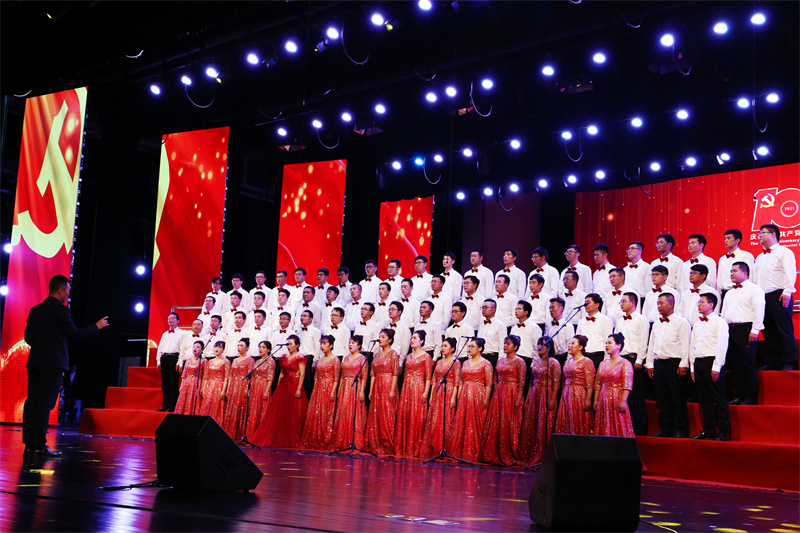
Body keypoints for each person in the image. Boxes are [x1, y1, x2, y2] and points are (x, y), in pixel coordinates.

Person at [22, 275, 107, 452]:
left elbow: (28, 337)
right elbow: (75, 334)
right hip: (53, 363)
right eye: (68, 290)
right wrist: (96, 326)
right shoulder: (61, 311)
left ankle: (30, 444)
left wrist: (42, 347)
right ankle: (39, 445)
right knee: (45, 404)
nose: (68, 293)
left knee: (32, 403)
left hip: (35, 361)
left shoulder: (35, 310)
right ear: (60, 290)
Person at [753, 224, 798, 370]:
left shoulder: (784, 252)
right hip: (762, 298)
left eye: (762, 233)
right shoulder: (760, 257)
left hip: (779, 295)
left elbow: (790, 272)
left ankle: (790, 361)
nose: (759, 235)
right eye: (759, 233)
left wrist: (787, 291)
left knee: (784, 329)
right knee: (768, 331)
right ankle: (772, 362)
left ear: (773, 234)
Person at [646, 294, 691, 438]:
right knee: (662, 398)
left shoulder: (681, 322)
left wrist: (684, 363)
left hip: (674, 363)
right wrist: (650, 363)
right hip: (659, 363)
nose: (658, 306)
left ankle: (680, 428)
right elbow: (652, 344)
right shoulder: (657, 323)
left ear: (671, 304)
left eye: (661, 303)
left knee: (677, 397)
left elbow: (685, 344)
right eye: (657, 303)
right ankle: (666, 428)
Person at [720, 262, 765, 405]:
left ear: (745, 273)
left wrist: (755, 330)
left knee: (748, 364)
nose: (731, 273)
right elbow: (724, 314)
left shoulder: (754, 289)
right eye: (730, 271)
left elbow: (759, 310)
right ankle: (738, 395)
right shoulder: (729, 293)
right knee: (736, 365)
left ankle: (750, 397)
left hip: (746, 329)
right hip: (730, 330)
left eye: (734, 271)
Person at [252, 335, 308, 448]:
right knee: (281, 412)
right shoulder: (284, 358)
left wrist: (298, 389)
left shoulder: (300, 357)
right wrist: (278, 387)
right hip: (283, 385)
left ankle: (292, 437)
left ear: (297, 345)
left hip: (294, 384)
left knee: (292, 412)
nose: (288, 346)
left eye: (291, 344)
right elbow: (281, 373)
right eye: (287, 344)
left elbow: (302, 374)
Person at [480, 335, 526, 466]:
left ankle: (509, 452)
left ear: (515, 347)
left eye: (508, 343)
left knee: (509, 421)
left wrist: (518, 399)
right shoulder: (500, 361)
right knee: (497, 421)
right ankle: (494, 452)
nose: (505, 345)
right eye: (504, 343)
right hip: (499, 393)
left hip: (512, 393)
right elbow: (495, 380)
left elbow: (521, 383)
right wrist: (495, 396)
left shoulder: (520, 362)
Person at [690, 294, 731, 441]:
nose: (698, 304)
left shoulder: (720, 322)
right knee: (704, 400)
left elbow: (722, 345)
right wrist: (692, 367)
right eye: (698, 302)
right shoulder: (697, 324)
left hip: (712, 361)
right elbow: (692, 345)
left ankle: (723, 432)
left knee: (719, 398)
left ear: (711, 304)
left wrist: (717, 366)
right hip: (699, 362)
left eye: (702, 302)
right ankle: (708, 431)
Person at [448, 339, 493, 463]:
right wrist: (459, 397)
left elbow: (489, 384)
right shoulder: (465, 363)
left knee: (476, 423)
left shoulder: (486, 364)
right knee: (463, 421)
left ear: (480, 348)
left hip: (478, 394)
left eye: (472, 346)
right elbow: (461, 381)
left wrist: (486, 399)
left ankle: (474, 451)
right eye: (469, 346)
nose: (469, 348)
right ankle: (460, 451)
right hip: (465, 394)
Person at [519, 337, 561, 466]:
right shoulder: (536, 362)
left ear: (548, 347)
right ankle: (529, 454)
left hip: (546, 394)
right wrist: (528, 397)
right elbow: (531, 382)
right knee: (532, 423)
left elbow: (556, 384)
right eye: (538, 344)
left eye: (541, 345)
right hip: (535, 394)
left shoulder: (554, 363)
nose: (538, 347)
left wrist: (553, 398)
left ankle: (542, 455)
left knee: (543, 423)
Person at [613, 292, 650, 435]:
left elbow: (643, 341)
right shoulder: (620, 321)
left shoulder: (641, 320)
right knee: (623, 394)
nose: (621, 304)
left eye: (624, 301)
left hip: (634, 359)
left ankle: (640, 427)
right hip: (621, 359)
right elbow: (615, 341)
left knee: (636, 394)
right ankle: (625, 425)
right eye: (620, 301)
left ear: (633, 303)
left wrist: (640, 360)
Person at [420, 337, 462, 460]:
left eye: (445, 346)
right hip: (437, 391)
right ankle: (434, 448)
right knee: (434, 420)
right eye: (442, 346)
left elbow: (457, 382)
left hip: (448, 391)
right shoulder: (438, 362)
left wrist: (454, 398)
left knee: (446, 419)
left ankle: (445, 448)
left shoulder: (456, 362)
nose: (442, 348)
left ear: (452, 349)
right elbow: (434, 379)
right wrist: (431, 395)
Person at [394, 331, 433, 458]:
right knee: (406, 414)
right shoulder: (409, 356)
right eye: (411, 338)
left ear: (422, 341)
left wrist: (426, 392)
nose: (412, 340)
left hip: (418, 386)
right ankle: (404, 446)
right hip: (407, 387)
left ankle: (415, 447)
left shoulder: (426, 357)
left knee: (416, 415)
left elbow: (428, 377)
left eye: (415, 338)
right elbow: (405, 374)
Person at [299, 335, 341, 450]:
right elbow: (316, 376)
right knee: (316, 412)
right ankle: (314, 436)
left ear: (331, 345)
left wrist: (333, 391)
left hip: (329, 387)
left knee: (326, 412)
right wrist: (315, 390)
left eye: (325, 343)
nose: (322, 346)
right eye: (321, 343)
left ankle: (325, 437)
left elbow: (336, 378)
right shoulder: (320, 360)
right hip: (318, 387)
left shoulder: (335, 360)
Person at [364, 329, 400, 455]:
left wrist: (392, 390)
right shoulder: (376, 355)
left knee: (387, 414)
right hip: (377, 386)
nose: (380, 339)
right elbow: (373, 373)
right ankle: (375, 442)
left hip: (388, 384)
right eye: (380, 336)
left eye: (383, 336)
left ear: (390, 340)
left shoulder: (393, 354)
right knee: (376, 413)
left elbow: (395, 373)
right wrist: (371, 390)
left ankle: (387, 443)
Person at [329, 336, 369, 450]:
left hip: (355, 386)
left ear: (359, 345)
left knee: (354, 412)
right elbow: (342, 376)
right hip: (344, 387)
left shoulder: (362, 359)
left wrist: (362, 391)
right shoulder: (346, 358)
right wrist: (339, 390)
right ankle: (342, 438)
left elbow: (364, 377)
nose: (350, 344)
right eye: (349, 342)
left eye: (353, 342)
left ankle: (354, 440)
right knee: (343, 411)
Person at [593, 334, 635, 437]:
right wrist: (596, 400)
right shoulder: (602, 363)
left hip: (617, 397)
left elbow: (627, 384)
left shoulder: (625, 363)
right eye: (606, 343)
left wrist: (623, 401)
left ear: (618, 346)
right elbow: (598, 383)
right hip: (603, 399)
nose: (606, 345)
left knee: (618, 424)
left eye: (610, 343)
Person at [554, 335, 595, 435]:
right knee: (566, 420)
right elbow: (563, 380)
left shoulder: (587, 361)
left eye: (573, 343)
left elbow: (590, 383)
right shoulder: (567, 362)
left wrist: (588, 399)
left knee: (578, 420)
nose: (569, 345)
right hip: (566, 394)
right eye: (569, 343)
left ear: (580, 347)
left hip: (579, 394)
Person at [222, 339, 255, 440]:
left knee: (241, 407)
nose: (239, 347)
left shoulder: (250, 360)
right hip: (233, 385)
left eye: (241, 345)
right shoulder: (235, 360)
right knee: (232, 407)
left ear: (247, 348)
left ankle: (239, 434)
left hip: (243, 385)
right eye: (238, 345)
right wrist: (228, 388)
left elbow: (251, 377)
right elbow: (231, 375)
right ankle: (230, 433)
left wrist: (247, 389)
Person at [156, 312, 186, 412]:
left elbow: (182, 349)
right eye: (169, 318)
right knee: (165, 383)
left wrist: (179, 362)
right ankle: (165, 404)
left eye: (173, 318)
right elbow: (160, 348)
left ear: (178, 321)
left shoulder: (181, 334)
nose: (170, 320)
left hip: (174, 358)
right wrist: (158, 361)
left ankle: (172, 405)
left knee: (173, 383)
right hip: (164, 358)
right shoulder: (165, 334)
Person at [575, 293, 613, 371]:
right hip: (583, 357)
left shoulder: (605, 320)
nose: (585, 305)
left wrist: (606, 360)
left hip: (598, 356)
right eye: (585, 302)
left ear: (597, 304)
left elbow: (607, 341)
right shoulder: (581, 322)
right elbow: (577, 341)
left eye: (588, 302)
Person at [247, 341, 275, 438]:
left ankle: (260, 435)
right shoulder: (257, 361)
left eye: (263, 347)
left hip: (263, 386)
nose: (261, 349)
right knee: (254, 410)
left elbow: (270, 378)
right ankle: (251, 433)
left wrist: (266, 391)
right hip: (255, 386)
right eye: (260, 347)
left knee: (262, 409)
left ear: (269, 350)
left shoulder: (270, 361)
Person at [717, 229, 754, 303]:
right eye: (725, 238)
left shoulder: (746, 255)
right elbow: (720, 279)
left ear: (737, 240)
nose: (726, 240)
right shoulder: (722, 259)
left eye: (728, 238)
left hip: (741, 292)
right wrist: (719, 294)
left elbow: (750, 276)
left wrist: (748, 293)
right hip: (724, 293)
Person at [198, 341, 231, 425]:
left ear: (223, 349)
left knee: (217, 405)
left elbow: (227, 378)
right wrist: (203, 388)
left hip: (219, 385)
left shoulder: (226, 361)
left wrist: (224, 390)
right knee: (206, 405)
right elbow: (206, 376)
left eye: (219, 347)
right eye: (215, 347)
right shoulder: (210, 361)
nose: (217, 349)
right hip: (209, 385)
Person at [174, 341, 207, 415]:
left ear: (202, 350)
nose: (195, 348)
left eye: (198, 347)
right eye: (194, 346)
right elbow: (184, 374)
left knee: (194, 401)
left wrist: (203, 387)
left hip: (197, 383)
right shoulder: (188, 360)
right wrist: (181, 386)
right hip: (187, 383)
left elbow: (205, 376)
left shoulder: (203, 361)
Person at [545, 297, 574, 369]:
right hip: (550, 358)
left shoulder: (568, 326)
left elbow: (570, 345)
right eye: (549, 308)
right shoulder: (549, 325)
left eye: (553, 307)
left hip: (562, 358)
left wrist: (568, 362)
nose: (550, 310)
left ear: (561, 309)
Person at [477, 299, 507, 368]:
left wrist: (500, 361)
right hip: (481, 357)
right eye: (482, 307)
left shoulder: (500, 325)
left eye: (486, 307)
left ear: (493, 310)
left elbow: (502, 344)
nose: (483, 310)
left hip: (493, 357)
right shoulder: (481, 326)